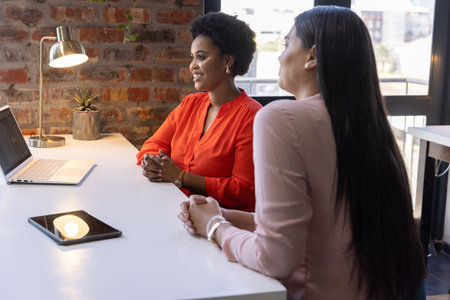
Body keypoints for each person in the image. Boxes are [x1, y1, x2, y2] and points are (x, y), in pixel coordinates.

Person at [178, 6, 426, 300]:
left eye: (286, 43)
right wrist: (224, 215)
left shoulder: (279, 117)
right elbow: (322, 224)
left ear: (313, 56)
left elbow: (276, 258)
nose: (280, 56)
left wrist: (215, 227)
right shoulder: (365, 123)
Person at [137, 12, 261, 212]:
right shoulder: (190, 104)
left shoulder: (252, 117)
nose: (192, 65)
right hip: (175, 209)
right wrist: (152, 162)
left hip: (222, 225)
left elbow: (243, 189)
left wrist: (179, 177)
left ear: (227, 61)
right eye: (192, 57)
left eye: (201, 57)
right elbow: (153, 144)